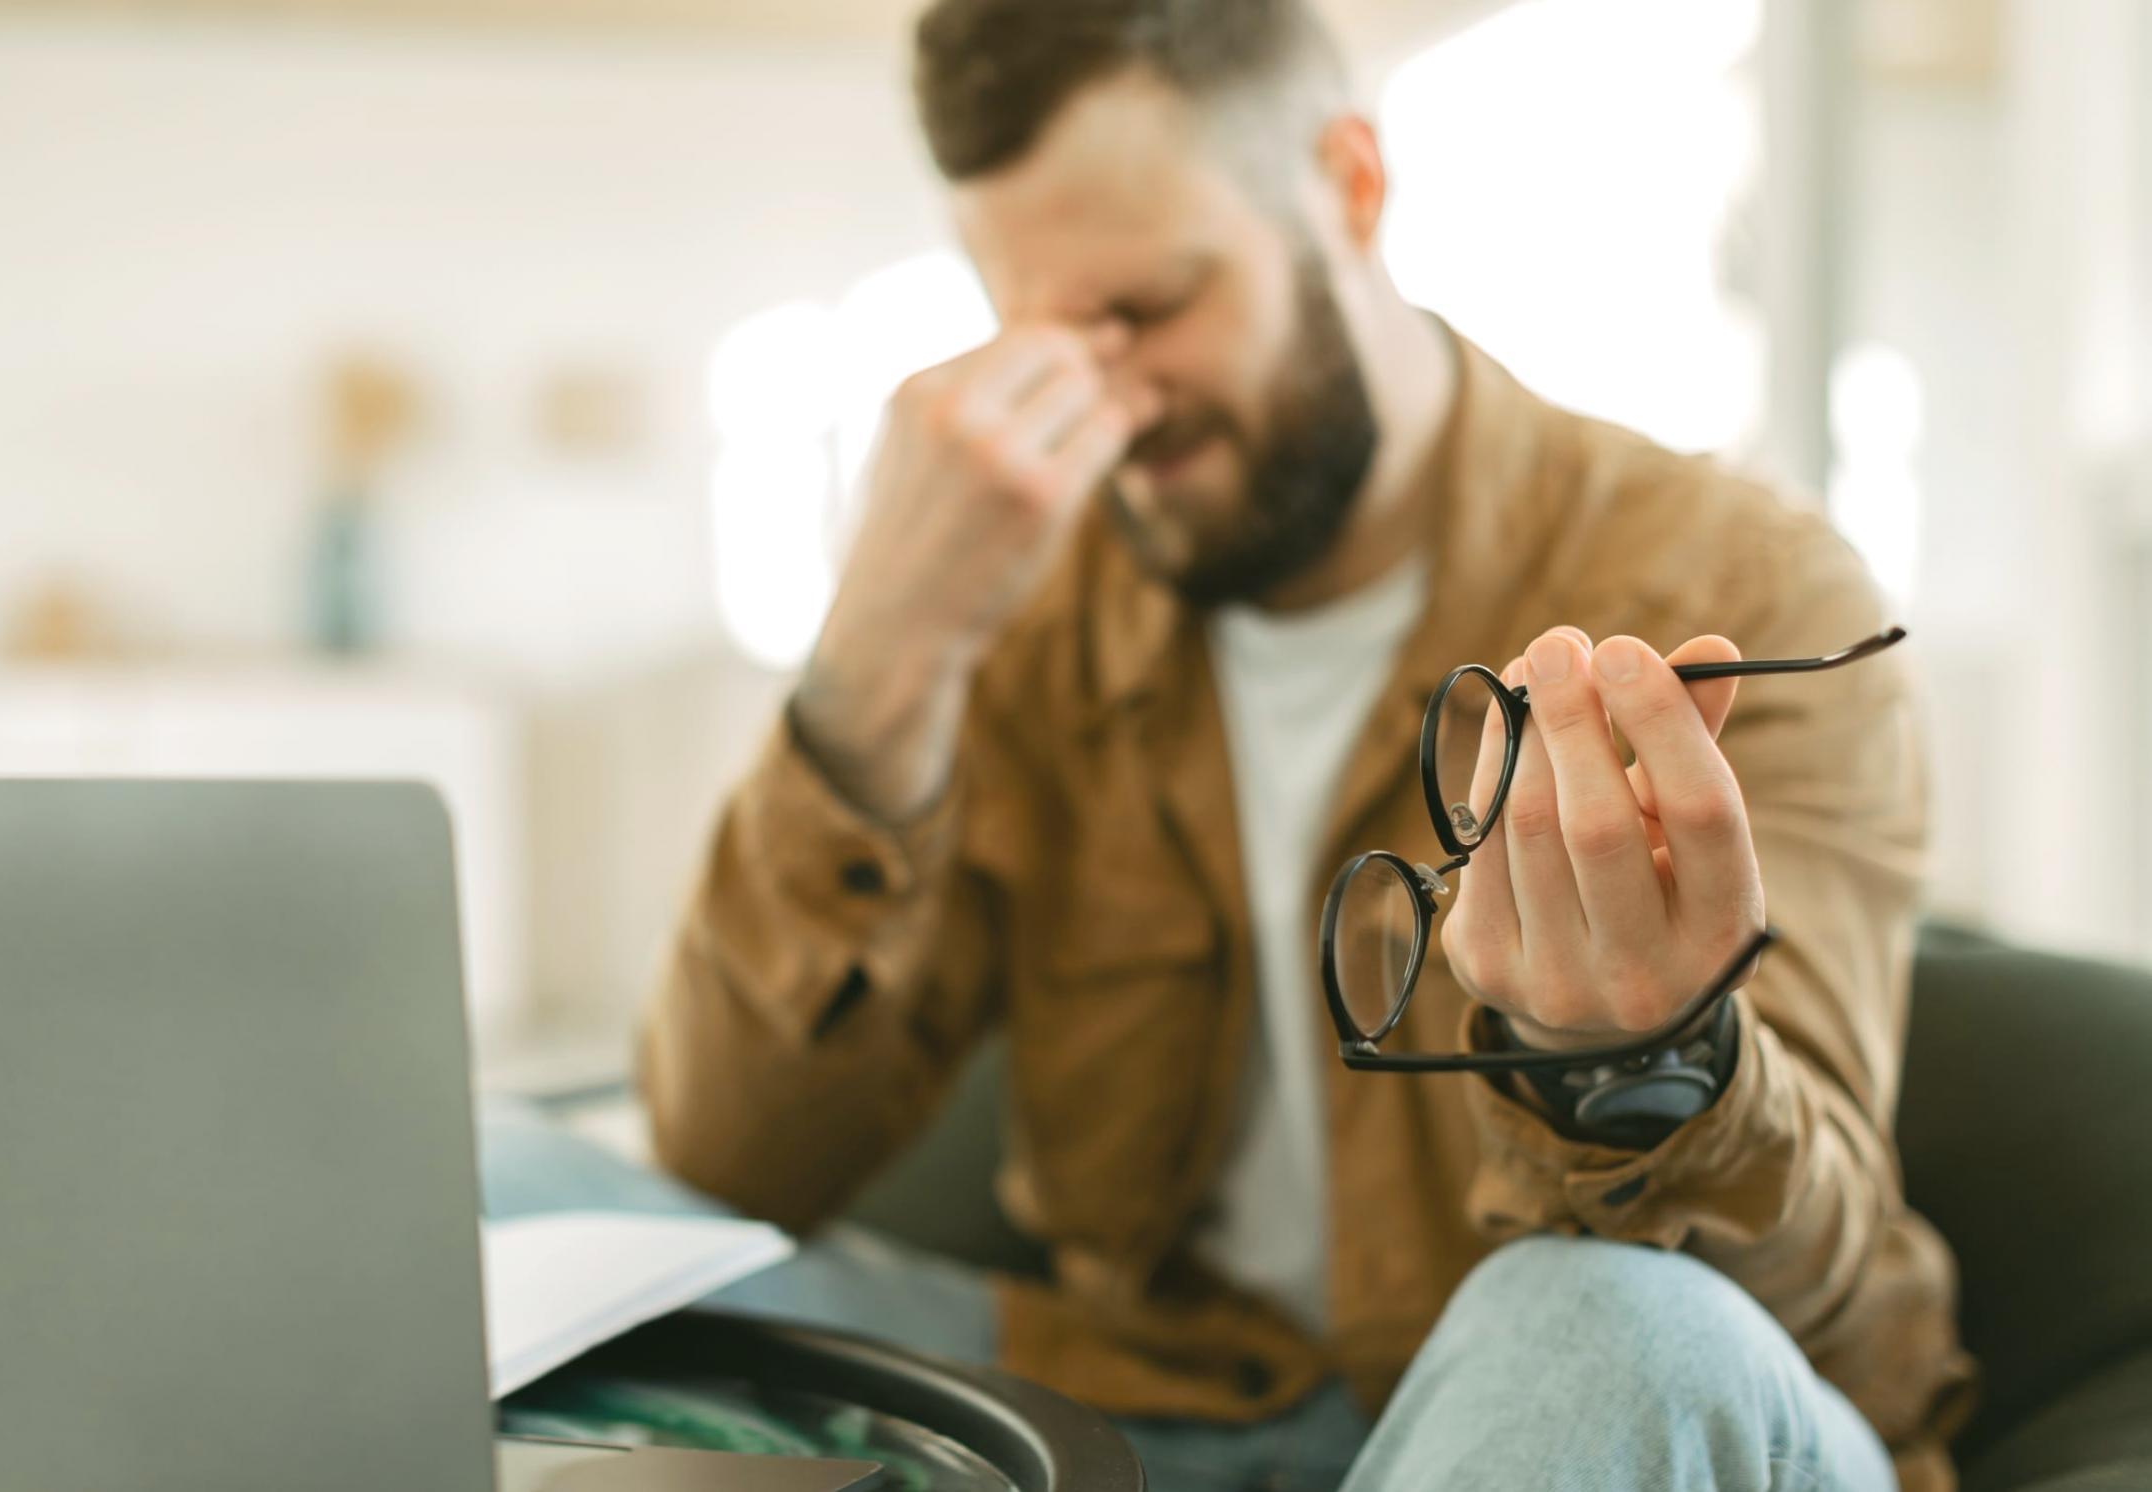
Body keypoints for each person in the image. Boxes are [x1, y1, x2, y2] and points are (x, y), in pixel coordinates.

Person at [485, 1, 1977, 1486]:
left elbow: (1804, 1278)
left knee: (1606, 1328)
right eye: (1041, 330)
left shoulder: (1738, 588)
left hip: (1570, 1399)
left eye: (1147, 308)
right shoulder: (1036, 604)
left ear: (1349, 187)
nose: (1107, 400)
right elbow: (732, 1164)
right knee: (495, 1182)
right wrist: (878, 664)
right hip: (1165, 1408)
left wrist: (1629, 1063)